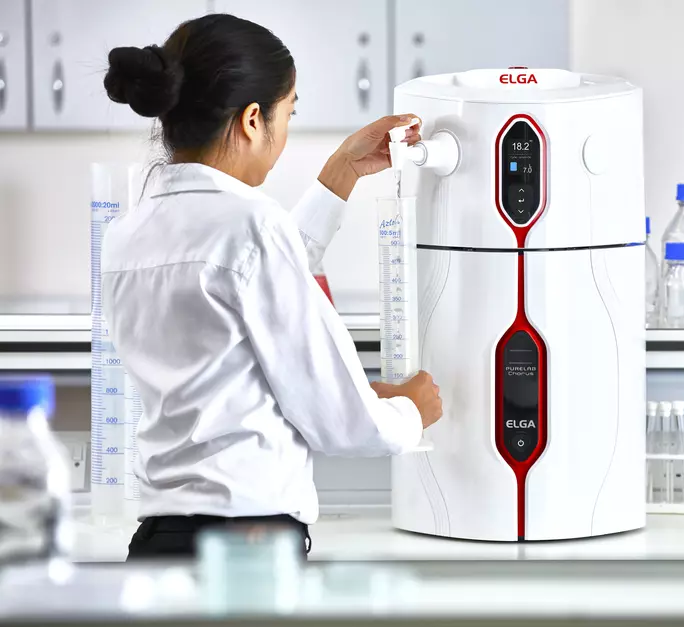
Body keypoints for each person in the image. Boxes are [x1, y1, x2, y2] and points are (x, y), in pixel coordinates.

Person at [100, 13, 443, 560]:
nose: (285, 131)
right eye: (290, 112)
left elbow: (251, 283)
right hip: (248, 551)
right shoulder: (252, 227)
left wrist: (342, 173)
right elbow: (343, 424)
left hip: (156, 545)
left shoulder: (125, 236)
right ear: (253, 119)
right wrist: (411, 412)